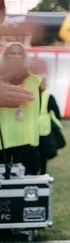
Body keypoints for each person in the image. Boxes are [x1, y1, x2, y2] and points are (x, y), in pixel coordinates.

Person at [0, 43, 42, 174]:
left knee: (29, 177)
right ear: (6, 56)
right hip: (4, 138)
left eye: (20, 53)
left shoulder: (34, 80)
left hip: (26, 138)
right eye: (13, 53)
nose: (16, 57)